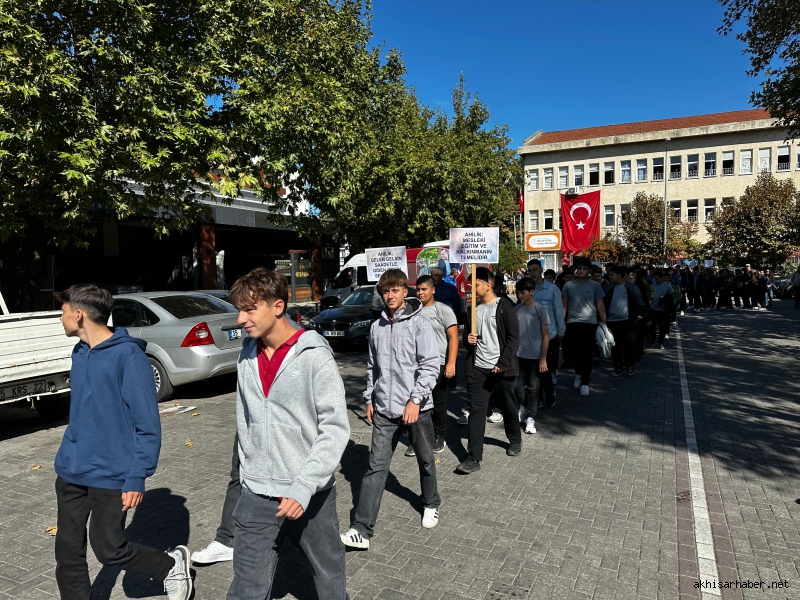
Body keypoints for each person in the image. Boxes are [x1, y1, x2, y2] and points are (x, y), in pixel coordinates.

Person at [52, 284, 191, 600]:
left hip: (112, 473)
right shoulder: (80, 352)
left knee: (109, 549)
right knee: (67, 553)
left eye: (63, 312)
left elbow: (147, 424)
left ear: (79, 314)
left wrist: (136, 476)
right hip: (72, 470)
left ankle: (170, 565)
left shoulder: (129, 357)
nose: (60, 318)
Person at [226, 268, 351, 600]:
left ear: (278, 306)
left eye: (249, 309)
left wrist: (304, 485)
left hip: (310, 492)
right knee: (246, 588)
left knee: (328, 577)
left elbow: (335, 428)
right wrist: (248, 472)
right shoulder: (246, 355)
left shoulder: (314, 356)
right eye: (239, 309)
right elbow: (245, 421)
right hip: (256, 492)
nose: (240, 319)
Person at [341, 268, 441, 549]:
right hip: (385, 408)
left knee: (425, 459)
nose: (390, 295)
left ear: (405, 292)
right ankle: (362, 529)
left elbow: (430, 366)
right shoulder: (377, 327)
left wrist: (416, 400)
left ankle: (431, 503)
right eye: (385, 291)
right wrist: (369, 399)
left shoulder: (420, 324)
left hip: (416, 409)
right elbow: (372, 367)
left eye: (395, 290)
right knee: (375, 468)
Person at [456, 267, 521, 475]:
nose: (471, 288)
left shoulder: (504, 306)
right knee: (476, 412)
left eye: (475, 285)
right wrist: (468, 340)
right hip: (478, 369)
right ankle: (474, 457)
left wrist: (502, 362)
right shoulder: (472, 311)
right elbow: (467, 340)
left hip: (500, 369)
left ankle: (515, 439)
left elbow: (514, 338)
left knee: (508, 406)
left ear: (488, 285)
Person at [413, 275, 459, 454]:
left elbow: (453, 337)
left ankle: (439, 436)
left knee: (438, 401)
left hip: (438, 363)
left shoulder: (443, 310)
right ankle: (420, 438)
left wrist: (451, 363)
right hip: (417, 365)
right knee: (418, 400)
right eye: (418, 289)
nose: (420, 293)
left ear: (433, 290)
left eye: (424, 289)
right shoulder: (413, 311)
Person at [561, 259, 606, 396]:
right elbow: (564, 306)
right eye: (579, 268)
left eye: (585, 269)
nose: (581, 271)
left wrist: (604, 324)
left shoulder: (595, 285)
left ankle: (585, 383)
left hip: (589, 323)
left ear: (589, 271)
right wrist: (561, 322)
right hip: (572, 322)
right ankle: (579, 373)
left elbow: (600, 306)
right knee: (571, 353)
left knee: (586, 354)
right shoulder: (569, 285)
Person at [514, 277, 550, 435]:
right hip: (518, 355)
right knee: (515, 385)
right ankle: (522, 405)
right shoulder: (517, 309)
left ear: (532, 292)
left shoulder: (540, 309)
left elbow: (546, 335)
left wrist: (543, 358)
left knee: (533, 387)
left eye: (523, 293)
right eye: (518, 292)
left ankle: (530, 417)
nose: (520, 296)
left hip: (535, 356)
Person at [526, 259, 564, 395]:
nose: (533, 273)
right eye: (530, 270)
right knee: (535, 368)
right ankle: (539, 394)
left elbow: (558, 310)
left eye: (535, 270)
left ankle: (548, 393)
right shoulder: (527, 289)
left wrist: (561, 330)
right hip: (531, 335)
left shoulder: (552, 289)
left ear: (541, 270)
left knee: (546, 366)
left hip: (549, 335)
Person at [604, 266, 645, 377]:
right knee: (615, 346)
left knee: (629, 345)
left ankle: (629, 367)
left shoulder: (632, 287)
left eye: (612, 274)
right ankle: (618, 368)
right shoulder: (608, 288)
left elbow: (640, 303)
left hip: (628, 321)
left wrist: (643, 316)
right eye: (609, 274)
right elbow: (601, 304)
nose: (610, 276)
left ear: (620, 275)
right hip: (611, 322)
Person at [648, 270, 674, 350]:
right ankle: (653, 339)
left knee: (662, 327)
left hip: (663, 310)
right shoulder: (652, 286)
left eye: (657, 278)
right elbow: (649, 296)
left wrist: (666, 302)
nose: (655, 280)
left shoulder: (668, 286)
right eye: (654, 278)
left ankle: (660, 342)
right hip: (653, 309)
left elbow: (672, 296)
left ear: (661, 278)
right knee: (651, 326)